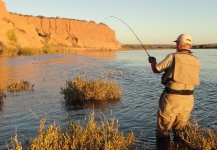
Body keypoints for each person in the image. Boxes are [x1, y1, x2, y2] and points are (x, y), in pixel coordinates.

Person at [148, 34, 200, 141]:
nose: (176, 46)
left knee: (163, 130)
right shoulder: (196, 60)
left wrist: (153, 61)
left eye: (177, 43)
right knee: (181, 132)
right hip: (189, 100)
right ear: (189, 45)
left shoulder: (173, 57)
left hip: (172, 98)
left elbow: (156, 69)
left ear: (180, 45)